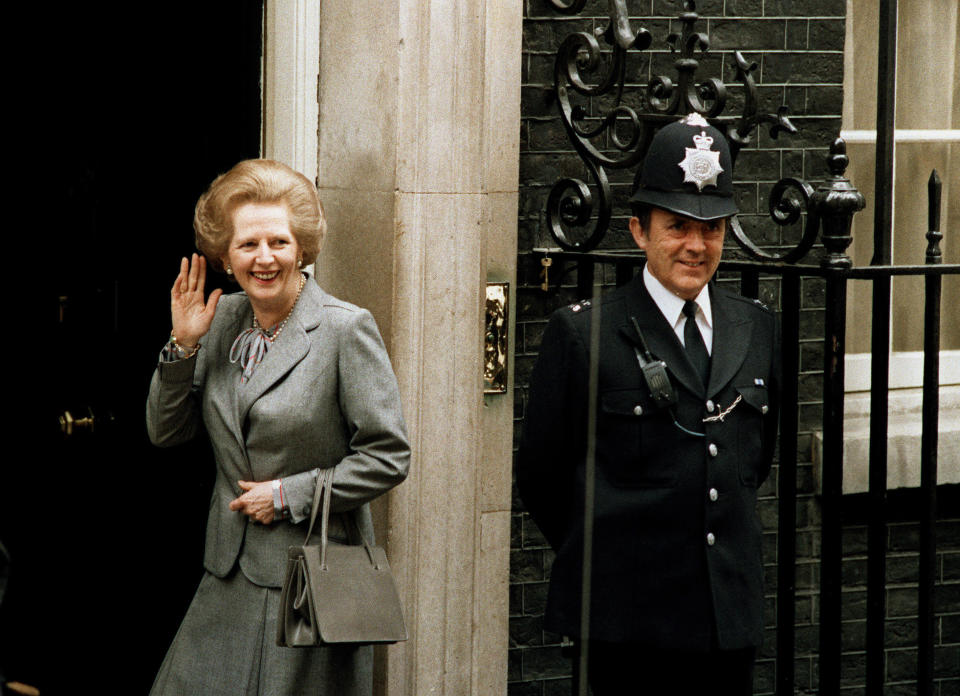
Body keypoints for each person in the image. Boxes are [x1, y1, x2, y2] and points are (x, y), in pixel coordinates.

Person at [517, 113, 780, 695]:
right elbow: (541, 478)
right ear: (639, 232)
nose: (696, 245)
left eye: (711, 229)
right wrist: (612, 552)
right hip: (624, 624)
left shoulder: (757, 327)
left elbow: (751, 464)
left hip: (724, 623)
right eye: (677, 226)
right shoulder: (584, 334)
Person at [146, 159, 410, 696]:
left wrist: (290, 494)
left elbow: (388, 456)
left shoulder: (344, 329)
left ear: (302, 248)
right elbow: (164, 432)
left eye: (279, 242)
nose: (264, 258)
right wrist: (183, 346)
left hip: (307, 582)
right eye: (248, 245)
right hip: (227, 575)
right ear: (225, 256)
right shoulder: (218, 322)